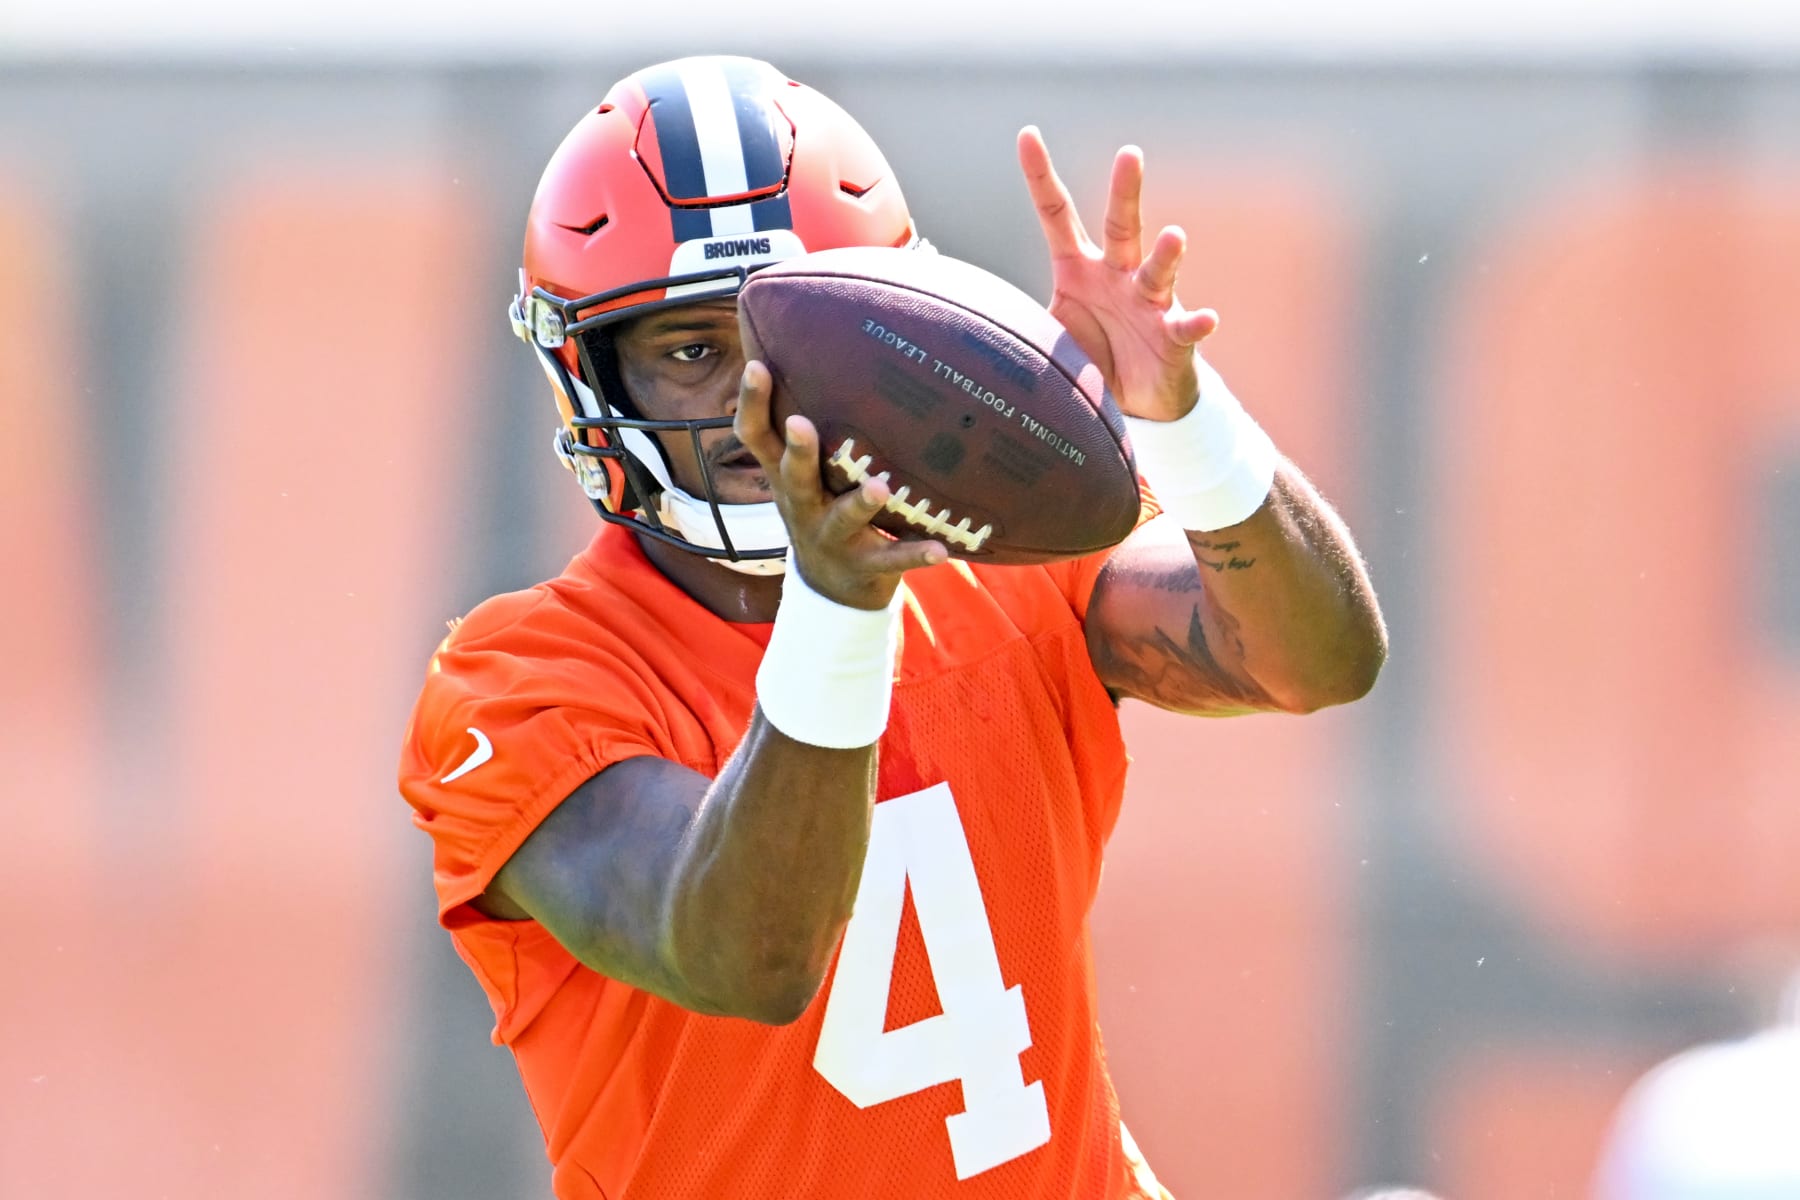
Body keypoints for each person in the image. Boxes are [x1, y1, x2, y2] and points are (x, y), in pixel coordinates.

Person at [398, 54, 1385, 1200]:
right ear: (591, 371)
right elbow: (742, 953)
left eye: (788, 339)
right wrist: (841, 607)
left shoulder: (1001, 561)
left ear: (893, 332)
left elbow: (1318, 662)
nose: (746, 400)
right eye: (686, 352)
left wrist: (1181, 417)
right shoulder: (518, 681)